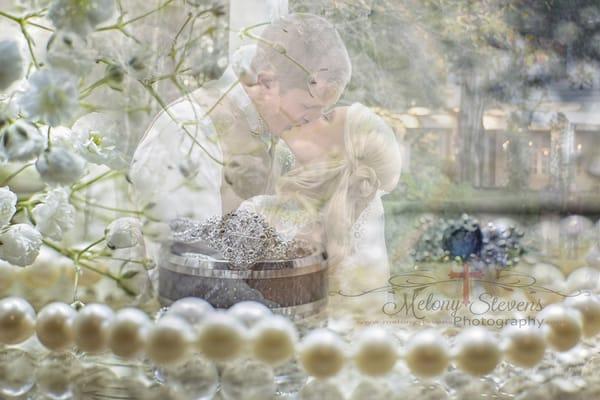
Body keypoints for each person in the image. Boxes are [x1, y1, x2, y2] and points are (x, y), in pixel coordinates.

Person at [128, 13, 352, 250]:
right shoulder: (190, 131)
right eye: (307, 107)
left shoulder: (273, 136)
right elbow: (187, 266)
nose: (314, 121)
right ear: (267, 83)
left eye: (322, 111)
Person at [240, 103, 402, 313]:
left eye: (326, 118)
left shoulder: (257, 213)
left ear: (339, 156)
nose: (311, 115)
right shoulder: (255, 211)